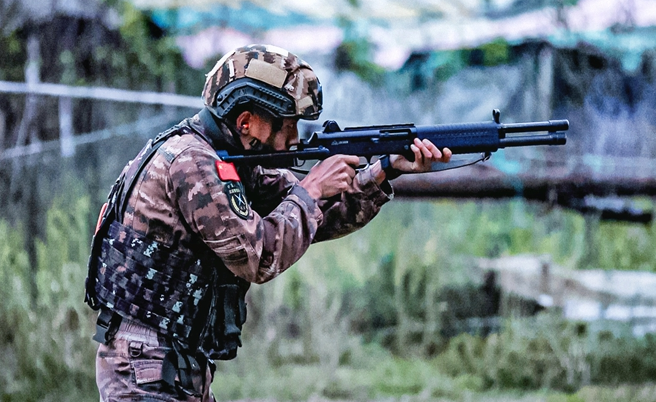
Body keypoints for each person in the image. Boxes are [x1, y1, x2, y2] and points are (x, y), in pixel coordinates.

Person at [87, 44, 451, 401]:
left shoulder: (233, 164)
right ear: (247, 122)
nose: (296, 139)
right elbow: (257, 256)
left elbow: (315, 218)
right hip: (145, 367)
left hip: (173, 364)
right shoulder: (193, 163)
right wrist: (310, 190)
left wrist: (384, 171)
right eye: (289, 125)